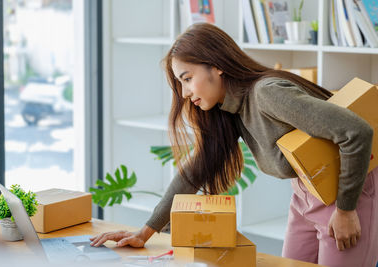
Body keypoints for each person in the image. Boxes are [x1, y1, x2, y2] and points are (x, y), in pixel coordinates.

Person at [90, 23, 378, 267]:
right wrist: (144, 232)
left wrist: (346, 209)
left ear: (216, 67)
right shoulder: (230, 110)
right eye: (180, 84)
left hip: (346, 190)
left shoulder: (267, 94)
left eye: (187, 79)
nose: (185, 92)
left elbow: (357, 132)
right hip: (304, 194)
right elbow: (194, 173)